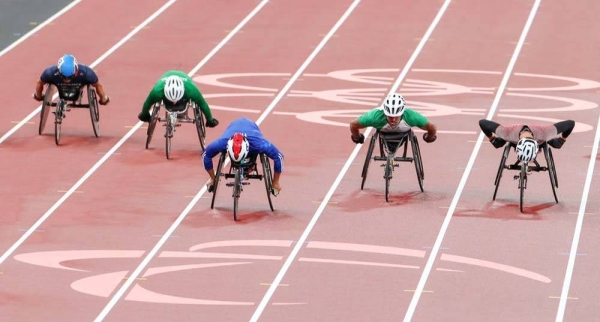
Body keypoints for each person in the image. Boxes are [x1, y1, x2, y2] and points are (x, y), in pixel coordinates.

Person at [202, 117, 283, 195]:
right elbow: (206, 155)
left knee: (253, 154)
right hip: (233, 125)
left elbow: (279, 157)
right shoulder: (223, 142)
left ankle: (251, 166)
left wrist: (276, 181)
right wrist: (213, 178)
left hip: (251, 128)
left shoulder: (259, 144)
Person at [137, 70, 219, 128]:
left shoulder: (191, 90)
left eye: (176, 100)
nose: (174, 103)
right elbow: (147, 103)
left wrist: (210, 119)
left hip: (184, 88)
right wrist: (145, 115)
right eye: (171, 100)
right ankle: (172, 99)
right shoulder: (157, 91)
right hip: (167, 77)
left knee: (197, 102)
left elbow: (203, 104)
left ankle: (178, 101)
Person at [349, 93, 437, 145]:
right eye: (390, 116)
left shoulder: (412, 116)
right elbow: (353, 125)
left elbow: (432, 127)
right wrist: (357, 137)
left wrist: (429, 137)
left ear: (402, 113)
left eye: (396, 116)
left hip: (403, 134)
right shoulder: (375, 116)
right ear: (384, 113)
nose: (393, 120)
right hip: (383, 132)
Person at [33, 54, 110, 105]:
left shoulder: (87, 73)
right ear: (58, 71)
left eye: (70, 77)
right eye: (63, 76)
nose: (67, 80)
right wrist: (39, 96)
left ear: (76, 71)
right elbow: (40, 82)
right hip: (61, 89)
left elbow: (98, 85)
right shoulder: (50, 72)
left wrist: (103, 98)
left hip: (78, 89)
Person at [479, 119, 575, 150]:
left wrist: (562, 140)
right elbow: (482, 122)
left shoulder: (545, 133)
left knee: (556, 144)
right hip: (514, 137)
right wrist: (563, 138)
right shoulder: (507, 133)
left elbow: (571, 123)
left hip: (540, 139)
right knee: (498, 143)